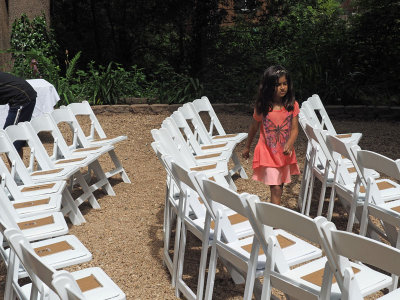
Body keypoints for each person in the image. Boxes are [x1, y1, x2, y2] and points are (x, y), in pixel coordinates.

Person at [242, 65, 300, 205]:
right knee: (275, 187)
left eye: (285, 83)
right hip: (267, 152)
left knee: (279, 185)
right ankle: (274, 222)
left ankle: (274, 215)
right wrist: (247, 147)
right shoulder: (263, 106)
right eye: (277, 84)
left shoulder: (292, 105)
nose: (282, 87)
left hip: (284, 154)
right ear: (269, 86)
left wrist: (290, 143)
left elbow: (294, 129)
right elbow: (254, 127)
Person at [0, 71, 37, 157]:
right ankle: (19, 168)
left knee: (9, 139)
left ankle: (17, 169)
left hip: (22, 98)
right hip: (22, 97)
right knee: (14, 138)